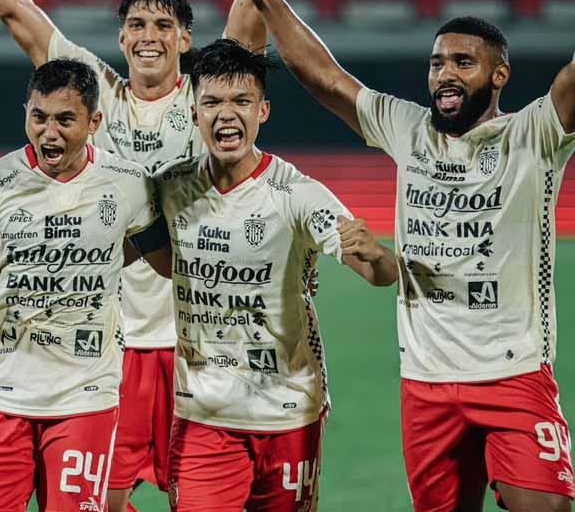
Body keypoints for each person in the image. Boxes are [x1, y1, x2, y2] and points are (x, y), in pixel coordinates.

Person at [196, 0, 575, 511]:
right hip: (426, 384)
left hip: (514, 375)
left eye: (463, 62)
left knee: (547, 506)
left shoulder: (534, 135)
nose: (445, 74)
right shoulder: (409, 130)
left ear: (499, 73)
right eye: (436, 63)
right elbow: (323, 76)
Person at [0, 0, 298, 507]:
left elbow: (257, 0)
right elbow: (14, 6)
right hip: (116, 348)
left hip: (204, 337)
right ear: (122, 36)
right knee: (102, 500)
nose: (149, 34)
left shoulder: (208, 96)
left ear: (187, 39)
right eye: (136, 23)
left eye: (164, 23)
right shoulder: (94, 92)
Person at [0, 59, 173, 512]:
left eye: (65, 119)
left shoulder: (126, 184)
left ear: (93, 122)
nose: (49, 132)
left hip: (85, 396)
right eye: (39, 117)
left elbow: (166, 261)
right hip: (2, 393)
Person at [155, 38, 398, 511]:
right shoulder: (169, 187)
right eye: (213, 102)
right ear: (193, 112)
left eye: (241, 101)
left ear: (262, 110)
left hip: (287, 411)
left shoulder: (297, 193)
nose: (227, 114)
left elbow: (379, 274)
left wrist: (375, 253)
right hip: (203, 414)